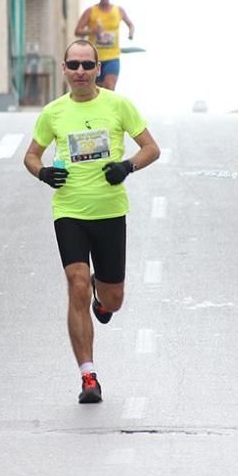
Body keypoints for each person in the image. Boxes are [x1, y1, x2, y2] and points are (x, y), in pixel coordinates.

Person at [23, 39, 160, 404]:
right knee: (78, 283)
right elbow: (31, 156)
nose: (81, 72)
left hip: (110, 212)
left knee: (111, 298)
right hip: (69, 212)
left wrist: (126, 166)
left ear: (99, 69)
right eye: (74, 65)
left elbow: (151, 148)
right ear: (64, 70)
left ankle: (104, 305)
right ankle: (88, 376)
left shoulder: (118, 105)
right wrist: (43, 174)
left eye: (87, 65)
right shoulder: (53, 113)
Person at [74, 0, 135, 91]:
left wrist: (130, 34)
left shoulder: (118, 10)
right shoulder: (90, 11)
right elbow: (77, 31)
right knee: (97, 91)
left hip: (113, 57)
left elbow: (130, 24)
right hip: (95, 59)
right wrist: (92, 30)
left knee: (109, 87)